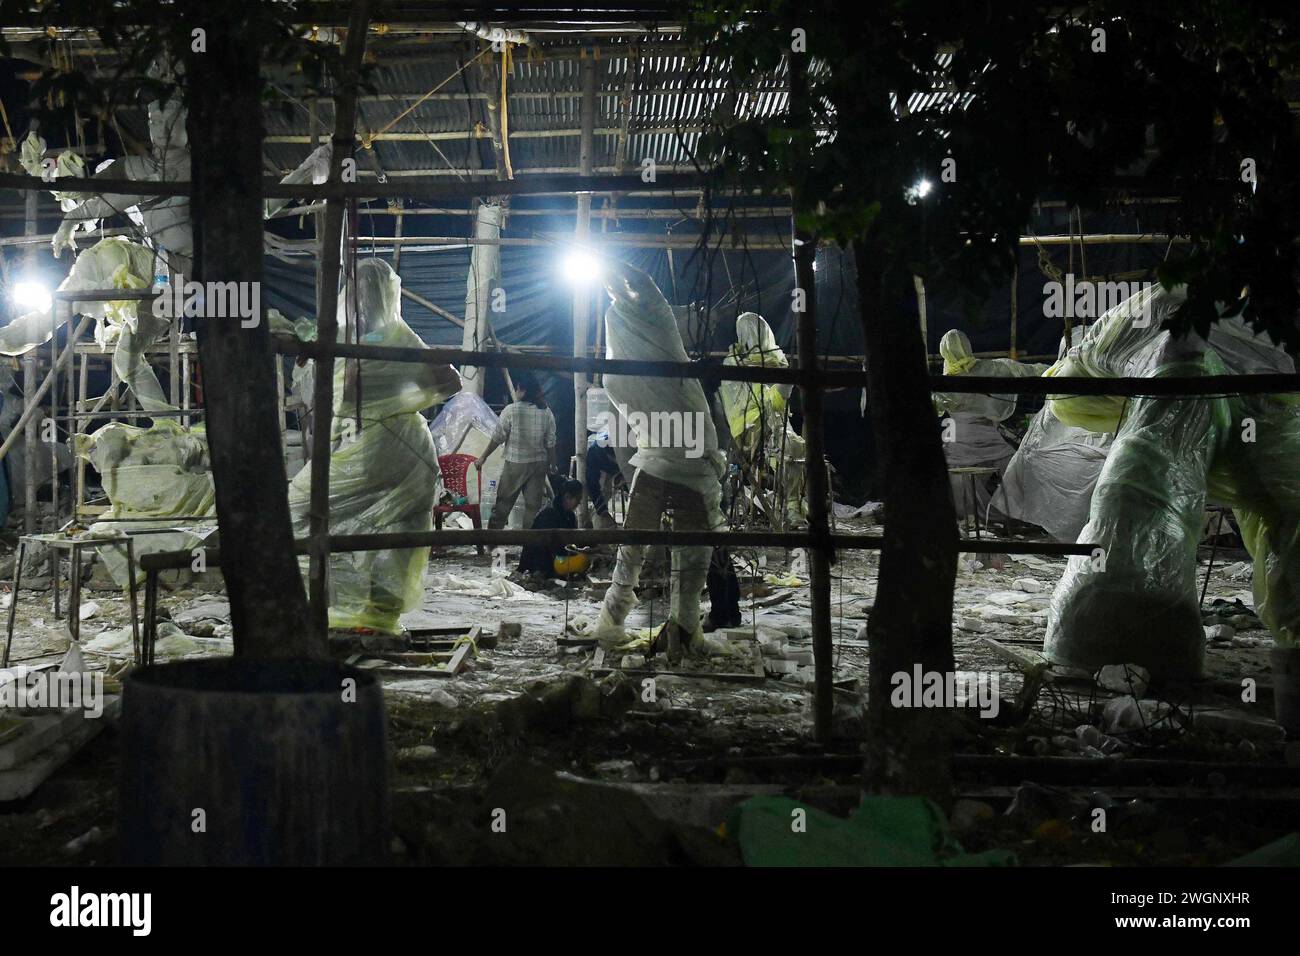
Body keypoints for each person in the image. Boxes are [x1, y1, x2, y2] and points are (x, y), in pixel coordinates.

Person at [594, 259, 727, 661]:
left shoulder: (656, 332)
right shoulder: (627, 339)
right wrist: (610, 274)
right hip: (675, 455)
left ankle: (659, 625)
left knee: (644, 547)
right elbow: (639, 285)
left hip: (679, 456)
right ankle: (679, 628)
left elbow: (642, 284)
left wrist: (607, 264)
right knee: (668, 548)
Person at [476, 373, 557, 530]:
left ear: (523, 390)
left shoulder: (511, 410)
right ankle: (528, 544)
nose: (517, 392)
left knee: (502, 505)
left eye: (518, 389)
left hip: (515, 465)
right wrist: (552, 464)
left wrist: (483, 457)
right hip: (538, 465)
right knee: (533, 508)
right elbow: (551, 443)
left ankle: (492, 544)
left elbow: (498, 437)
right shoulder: (546, 412)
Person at [518, 479, 588, 579]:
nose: (579, 503)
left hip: (555, 557)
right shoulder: (549, 514)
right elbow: (541, 547)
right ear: (567, 496)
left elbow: (570, 542)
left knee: (583, 560)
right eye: (578, 499)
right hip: (538, 561)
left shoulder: (570, 516)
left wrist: (579, 550)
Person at [584, 433, 625, 528]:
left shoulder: (625, 448)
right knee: (602, 497)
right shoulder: (594, 455)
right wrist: (603, 513)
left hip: (613, 468)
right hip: (601, 470)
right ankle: (599, 532)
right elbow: (593, 486)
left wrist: (621, 476)